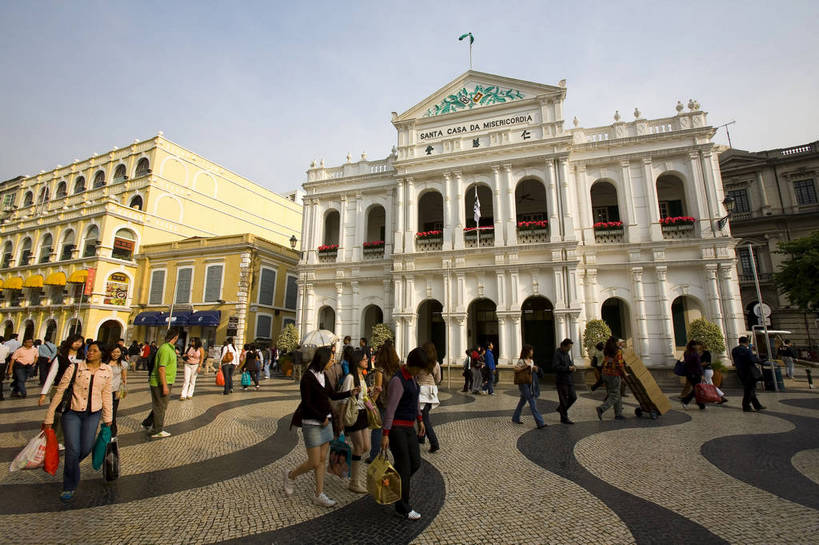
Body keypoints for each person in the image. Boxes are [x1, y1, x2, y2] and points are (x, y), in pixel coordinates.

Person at [284, 347, 359, 507]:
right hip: (312, 423)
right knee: (313, 461)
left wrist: (350, 393)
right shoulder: (308, 378)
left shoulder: (323, 375)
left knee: (322, 460)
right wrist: (321, 417)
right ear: (322, 360)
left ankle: (318, 494)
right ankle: (291, 475)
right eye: (331, 360)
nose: (333, 363)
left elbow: (331, 395)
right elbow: (307, 403)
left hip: (327, 422)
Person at [43, 340, 113, 502]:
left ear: (102, 353)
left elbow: (106, 395)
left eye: (94, 351)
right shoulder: (74, 367)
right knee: (73, 449)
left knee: (86, 447)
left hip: (93, 413)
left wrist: (108, 418)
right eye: (89, 350)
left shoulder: (106, 370)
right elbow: (60, 392)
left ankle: (71, 464)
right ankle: (69, 485)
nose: (90, 353)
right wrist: (50, 415)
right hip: (72, 413)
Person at [381, 346, 430, 521]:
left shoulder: (412, 378)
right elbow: (390, 408)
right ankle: (403, 507)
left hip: (409, 427)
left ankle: (393, 484)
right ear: (413, 364)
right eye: (420, 368)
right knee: (405, 466)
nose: (421, 371)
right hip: (396, 429)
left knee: (415, 463)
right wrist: (385, 433)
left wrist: (420, 419)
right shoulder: (398, 380)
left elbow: (415, 398)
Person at [341, 348, 371, 493]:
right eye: (365, 359)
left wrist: (373, 394)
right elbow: (344, 399)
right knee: (359, 447)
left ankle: (350, 460)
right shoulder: (351, 378)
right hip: (353, 415)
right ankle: (354, 482)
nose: (367, 361)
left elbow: (364, 398)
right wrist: (341, 422)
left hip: (363, 414)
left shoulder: (362, 377)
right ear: (358, 361)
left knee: (366, 447)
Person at [141, 328, 180, 438]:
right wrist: (164, 386)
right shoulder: (165, 349)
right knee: (160, 407)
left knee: (160, 405)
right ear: (175, 337)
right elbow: (161, 368)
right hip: (161, 382)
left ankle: (148, 422)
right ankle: (156, 430)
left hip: (166, 380)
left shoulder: (169, 348)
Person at [367, 339, 401, 463]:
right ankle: (397, 453)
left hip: (383, 403)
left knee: (377, 429)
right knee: (391, 428)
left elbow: (378, 389)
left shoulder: (380, 370)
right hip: (395, 402)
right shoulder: (397, 369)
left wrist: (371, 403)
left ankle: (374, 455)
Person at [511, 344, 547, 428]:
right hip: (523, 383)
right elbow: (515, 369)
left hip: (530, 383)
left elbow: (531, 372)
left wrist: (535, 369)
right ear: (527, 351)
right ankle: (540, 422)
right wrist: (524, 367)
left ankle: (515, 418)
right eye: (531, 350)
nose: (532, 352)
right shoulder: (521, 361)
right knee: (532, 401)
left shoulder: (531, 361)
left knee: (522, 401)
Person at [417, 342, 442, 453]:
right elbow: (438, 379)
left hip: (421, 391)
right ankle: (421, 437)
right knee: (422, 415)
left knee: (424, 418)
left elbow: (415, 376)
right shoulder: (436, 364)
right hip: (431, 392)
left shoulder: (419, 363)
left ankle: (434, 442)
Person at [596, 337, 627, 420]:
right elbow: (620, 365)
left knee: (615, 393)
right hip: (614, 375)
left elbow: (605, 362)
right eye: (618, 342)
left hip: (605, 374)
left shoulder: (607, 351)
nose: (619, 343)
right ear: (615, 343)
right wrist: (625, 373)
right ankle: (602, 408)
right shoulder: (618, 351)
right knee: (615, 395)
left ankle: (618, 413)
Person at [733, 336, 766, 412]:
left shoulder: (734, 350)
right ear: (747, 342)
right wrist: (761, 361)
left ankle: (757, 405)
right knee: (750, 389)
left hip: (740, 371)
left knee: (749, 388)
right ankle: (746, 406)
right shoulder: (746, 350)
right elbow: (752, 359)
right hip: (749, 372)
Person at [553, 338, 577, 424]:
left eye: (570, 348)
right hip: (561, 380)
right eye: (568, 348)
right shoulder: (557, 354)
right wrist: (567, 368)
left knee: (573, 397)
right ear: (563, 346)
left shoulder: (567, 354)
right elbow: (555, 367)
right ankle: (564, 418)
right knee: (563, 399)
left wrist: (572, 366)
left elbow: (570, 363)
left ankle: (561, 409)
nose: (569, 349)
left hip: (569, 379)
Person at [107, 344, 128, 437]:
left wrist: (122, 390)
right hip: (103, 391)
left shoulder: (122, 364)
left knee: (113, 412)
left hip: (115, 391)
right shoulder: (104, 363)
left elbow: (124, 379)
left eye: (118, 352)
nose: (116, 354)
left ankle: (112, 433)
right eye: (113, 352)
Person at [679, 340, 706, 410]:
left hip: (689, 373)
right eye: (697, 345)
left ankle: (701, 404)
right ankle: (685, 401)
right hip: (695, 373)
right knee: (696, 389)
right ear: (693, 346)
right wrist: (702, 374)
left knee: (696, 389)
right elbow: (698, 365)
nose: (698, 346)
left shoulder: (686, 353)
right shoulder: (694, 354)